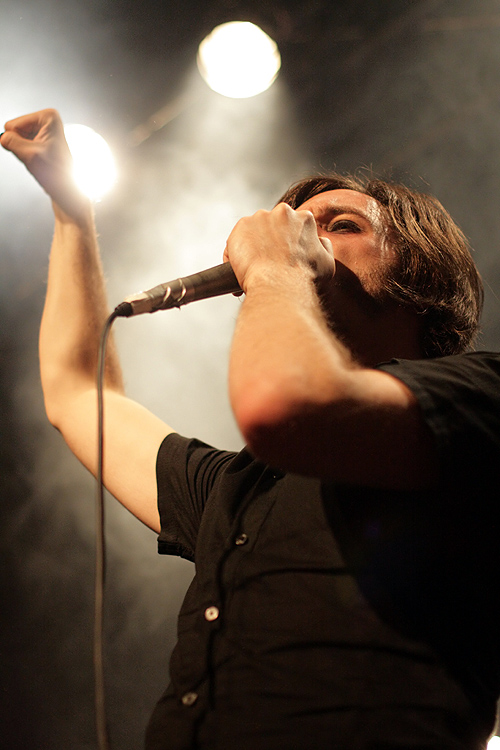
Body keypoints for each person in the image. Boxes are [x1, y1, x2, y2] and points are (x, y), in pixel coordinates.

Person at [2, 108, 500, 750]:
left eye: (341, 225)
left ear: (421, 271)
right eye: (297, 226)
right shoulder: (238, 489)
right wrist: (73, 210)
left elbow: (288, 409)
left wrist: (273, 271)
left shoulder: (483, 395)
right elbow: (78, 392)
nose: (302, 237)